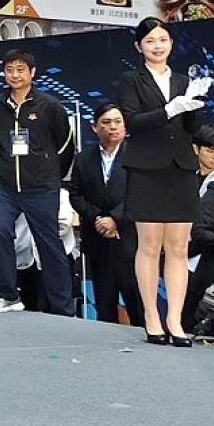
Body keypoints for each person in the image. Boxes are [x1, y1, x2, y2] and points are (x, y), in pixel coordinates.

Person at [116, 16, 208, 347]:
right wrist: (171, 109)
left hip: (180, 168)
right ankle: (152, 317)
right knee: (150, 245)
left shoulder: (183, 80)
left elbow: (193, 128)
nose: (158, 46)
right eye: (151, 41)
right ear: (139, 46)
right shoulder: (131, 80)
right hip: (147, 169)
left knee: (179, 247)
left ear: (171, 44)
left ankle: (176, 320)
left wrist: (194, 103)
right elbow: (133, 123)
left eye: (163, 40)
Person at [0, 50, 75, 316]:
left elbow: (65, 145)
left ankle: (62, 307)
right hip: (6, 186)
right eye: (9, 70)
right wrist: (7, 166)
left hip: (42, 187)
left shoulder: (49, 105)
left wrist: (49, 174)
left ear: (32, 73)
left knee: (48, 244)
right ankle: (9, 295)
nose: (15, 75)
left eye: (20, 69)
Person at [67, 102, 143, 327]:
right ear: (94, 127)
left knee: (137, 300)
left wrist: (115, 219)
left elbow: (142, 193)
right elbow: (76, 194)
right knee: (104, 303)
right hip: (97, 238)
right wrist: (99, 220)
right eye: (106, 122)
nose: (113, 127)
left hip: (130, 237)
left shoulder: (137, 155)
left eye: (118, 122)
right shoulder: (83, 158)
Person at [185, 124, 214, 332]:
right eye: (210, 150)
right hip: (182, 252)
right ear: (196, 149)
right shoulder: (183, 176)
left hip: (203, 257)